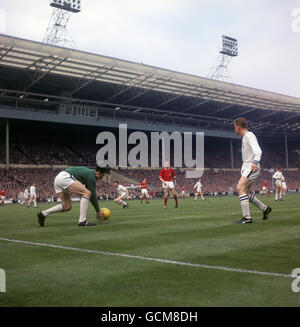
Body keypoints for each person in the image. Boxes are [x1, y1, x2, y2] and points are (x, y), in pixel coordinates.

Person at [37, 166, 110, 227]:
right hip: (65, 177)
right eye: (102, 175)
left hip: (58, 179)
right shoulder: (91, 176)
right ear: (97, 172)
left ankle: (43, 213)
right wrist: (98, 211)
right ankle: (82, 220)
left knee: (67, 206)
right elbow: (92, 195)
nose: (101, 178)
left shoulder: (88, 173)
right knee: (87, 193)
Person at [234, 117, 271, 223]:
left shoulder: (249, 135)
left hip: (251, 166)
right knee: (245, 192)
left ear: (238, 127)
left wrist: (255, 162)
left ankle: (247, 218)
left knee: (239, 188)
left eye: (234, 127)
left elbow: (258, 150)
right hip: (247, 166)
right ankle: (265, 208)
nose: (234, 129)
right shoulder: (245, 137)